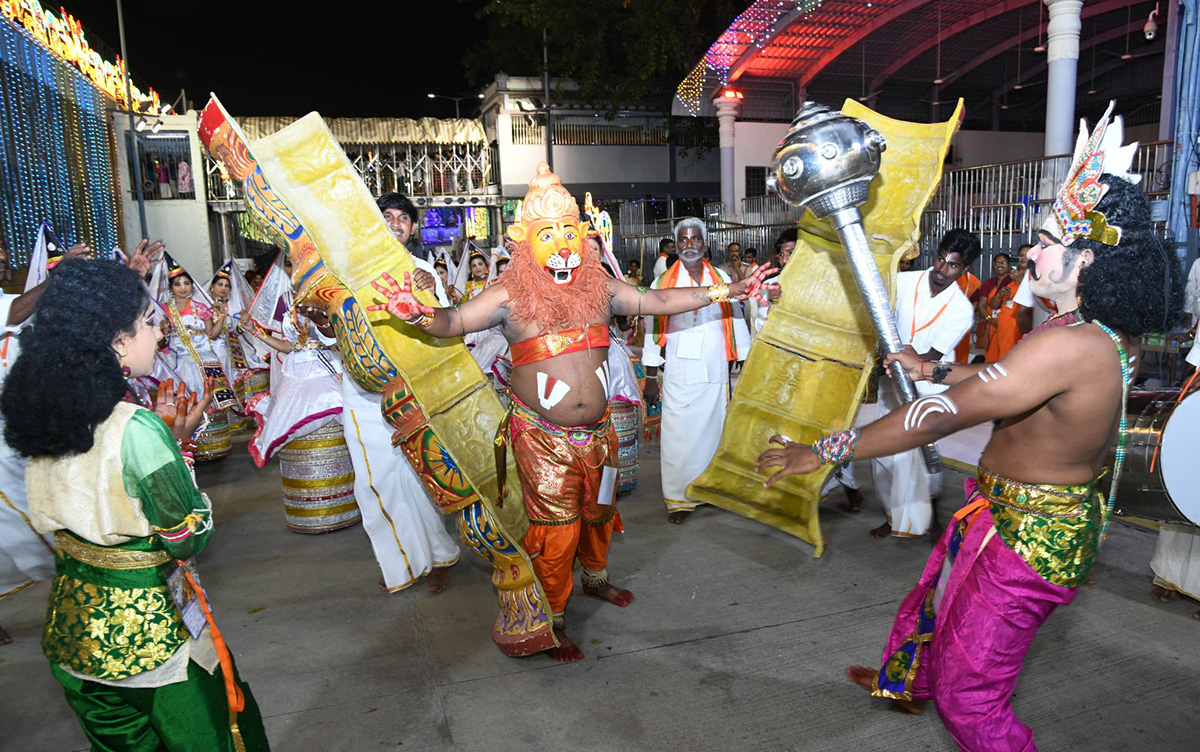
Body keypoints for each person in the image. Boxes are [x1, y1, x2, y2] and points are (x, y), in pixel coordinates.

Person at [757, 106, 1183, 750]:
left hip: (1031, 540)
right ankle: (906, 684)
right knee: (934, 602)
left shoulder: (1070, 346)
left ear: (1087, 262)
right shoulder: (1081, 331)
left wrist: (824, 449)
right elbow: (1002, 379)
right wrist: (931, 364)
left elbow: (946, 414)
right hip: (1006, 511)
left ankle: (950, 696)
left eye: (1046, 243)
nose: (1030, 252)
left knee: (973, 697)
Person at [368, 162, 774, 661]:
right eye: (547, 235)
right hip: (542, 438)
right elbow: (454, 321)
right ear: (524, 240)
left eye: (568, 233)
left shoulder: (600, 285)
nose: (561, 246)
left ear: (582, 236)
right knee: (557, 531)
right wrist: (419, 313)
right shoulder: (508, 294)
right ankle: (552, 615)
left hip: (599, 434)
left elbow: (660, 298)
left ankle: (596, 578)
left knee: (600, 511)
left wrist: (730, 290)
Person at [2, 259, 269, 750]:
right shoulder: (134, 427)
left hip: (74, 630)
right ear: (116, 340)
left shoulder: (46, 414)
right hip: (151, 638)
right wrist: (178, 449)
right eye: (148, 321)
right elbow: (187, 534)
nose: (160, 328)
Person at [862, 228, 975, 541]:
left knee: (915, 452)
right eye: (940, 259)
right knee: (884, 453)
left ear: (964, 269)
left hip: (926, 386)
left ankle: (916, 520)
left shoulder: (961, 309)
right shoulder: (903, 282)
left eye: (952, 265)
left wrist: (906, 358)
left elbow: (931, 357)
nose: (942, 269)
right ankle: (893, 513)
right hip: (890, 382)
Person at [642, 218, 753, 523]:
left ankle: (708, 490)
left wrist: (744, 357)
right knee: (679, 435)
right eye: (683, 240)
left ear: (705, 243)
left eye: (695, 239)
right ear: (675, 245)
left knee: (714, 431)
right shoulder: (662, 282)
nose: (689, 245)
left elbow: (735, 317)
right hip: (679, 367)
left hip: (714, 366)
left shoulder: (720, 276)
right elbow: (653, 329)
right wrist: (651, 376)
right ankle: (678, 500)